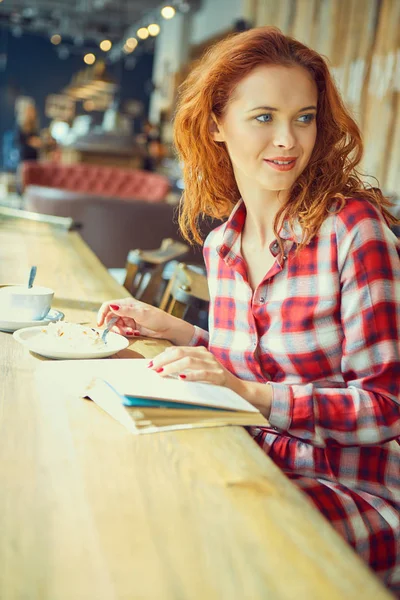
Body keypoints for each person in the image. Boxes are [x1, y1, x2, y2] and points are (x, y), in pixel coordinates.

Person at [98, 27, 400, 593]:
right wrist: (180, 332)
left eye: (304, 118)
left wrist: (251, 396)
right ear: (216, 124)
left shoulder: (353, 231)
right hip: (253, 465)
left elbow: (386, 407)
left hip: (354, 492)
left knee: (190, 540)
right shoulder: (223, 246)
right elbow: (262, 365)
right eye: (264, 117)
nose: (288, 140)